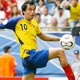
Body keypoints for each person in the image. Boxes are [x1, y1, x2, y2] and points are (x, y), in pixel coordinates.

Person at [0, 1, 75, 80]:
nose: (32, 12)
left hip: (28, 60)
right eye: (29, 9)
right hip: (30, 55)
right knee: (60, 52)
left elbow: (43, 37)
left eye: (33, 9)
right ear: (23, 11)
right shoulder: (16, 21)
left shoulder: (34, 23)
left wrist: (60, 38)